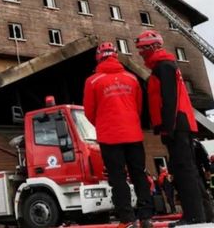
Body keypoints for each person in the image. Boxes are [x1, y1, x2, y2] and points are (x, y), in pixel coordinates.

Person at [135, 30, 205, 225]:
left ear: (151, 47)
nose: (140, 53)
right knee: (186, 168)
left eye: (141, 49)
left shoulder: (163, 67)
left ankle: (194, 215)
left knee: (183, 169)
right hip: (179, 124)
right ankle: (201, 212)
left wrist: (168, 127)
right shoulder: (164, 65)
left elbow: (169, 98)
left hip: (176, 124)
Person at [83, 42, 153, 228]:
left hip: (109, 137)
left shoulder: (93, 81)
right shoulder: (131, 78)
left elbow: (89, 111)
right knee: (139, 174)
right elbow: (138, 107)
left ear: (99, 57)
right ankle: (146, 216)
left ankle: (127, 219)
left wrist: (103, 124)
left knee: (117, 177)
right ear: (116, 55)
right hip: (133, 135)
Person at [192, 138, 214, 222]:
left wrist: (207, 169)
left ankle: (209, 216)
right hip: (194, 172)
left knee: (203, 195)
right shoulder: (195, 143)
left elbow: (204, 157)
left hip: (197, 173)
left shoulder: (195, 143)